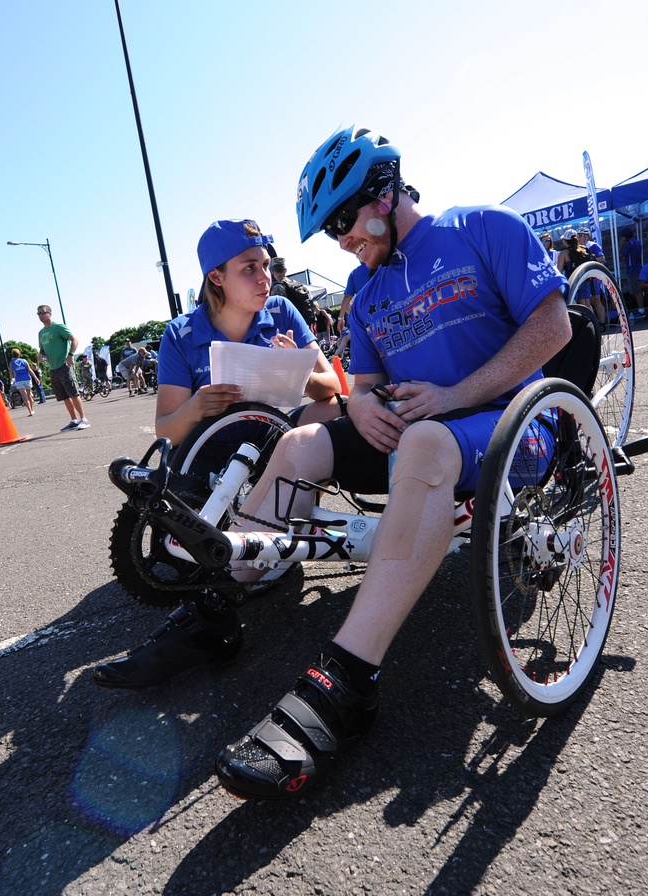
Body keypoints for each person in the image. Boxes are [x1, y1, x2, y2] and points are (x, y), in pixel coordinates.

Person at [103, 127, 572, 801]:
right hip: (413, 436)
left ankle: (348, 680)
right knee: (299, 444)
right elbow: (365, 385)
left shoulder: (483, 228)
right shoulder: (362, 287)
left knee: (424, 441)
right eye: (330, 231)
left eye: (343, 223)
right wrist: (362, 407)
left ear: (383, 193)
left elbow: (554, 327)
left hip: (512, 430)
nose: (341, 241)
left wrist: (451, 398)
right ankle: (216, 606)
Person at [93, 217, 343, 690]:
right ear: (217, 277)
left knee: (331, 411)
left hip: (272, 445)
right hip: (210, 461)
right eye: (250, 268)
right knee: (190, 546)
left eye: (266, 265)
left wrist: (298, 370)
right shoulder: (181, 333)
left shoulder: (282, 311)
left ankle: (272, 520)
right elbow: (166, 427)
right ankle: (246, 537)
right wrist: (196, 406)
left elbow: (332, 387)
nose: (265, 277)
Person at [36, 304, 90, 431]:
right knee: (64, 396)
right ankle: (74, 420)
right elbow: (42, 349)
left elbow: (74, 339)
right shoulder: (41, 333)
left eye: (43, 313)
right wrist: (40, 355)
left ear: (50, 313)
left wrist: (70, 355)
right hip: (53, 368)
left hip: (64, 365)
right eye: (38, 313)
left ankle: (84, 419)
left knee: (73, 393)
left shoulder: (58, 327)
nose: (40, 316)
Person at [556, 228, 605, 321]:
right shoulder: (584, 249)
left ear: (565, 241)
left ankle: (580, 326)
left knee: (573, 306)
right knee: (587, 305)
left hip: (572, 281)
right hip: (585, 280)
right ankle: (593, 325)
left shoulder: (563, 253)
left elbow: (559, 270)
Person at [334, 262, 374, 360]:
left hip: (367, 316)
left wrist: (340, 318)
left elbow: (347, 296)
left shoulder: (355, 273)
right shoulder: (384, 265)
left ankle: (338, 355)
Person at [270, 256, 316, 329]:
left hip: (289, 326)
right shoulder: (297, 284)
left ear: (272, 272)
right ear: (285, 270)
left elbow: (275, 312)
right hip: (303, 324)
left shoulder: (277, 288)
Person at [618, 227, 645, 320]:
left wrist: (621, 245)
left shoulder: (629, 244)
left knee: (637, 290)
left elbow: (621, 255)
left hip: (633, 269)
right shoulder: (636, 242)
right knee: (637, 290)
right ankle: (641, 309)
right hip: (637, 268)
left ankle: (641, 310)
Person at [10, 348, 40, 416]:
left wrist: (12, 380)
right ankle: (32, 409)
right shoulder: (24, 361)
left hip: (19, 380)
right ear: (19, 353)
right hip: (27, 378)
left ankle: (29, 411)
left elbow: (11, 372)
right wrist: (36, 378)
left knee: (24, 396)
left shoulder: (11, 363)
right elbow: (29, 370)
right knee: (29, 395)